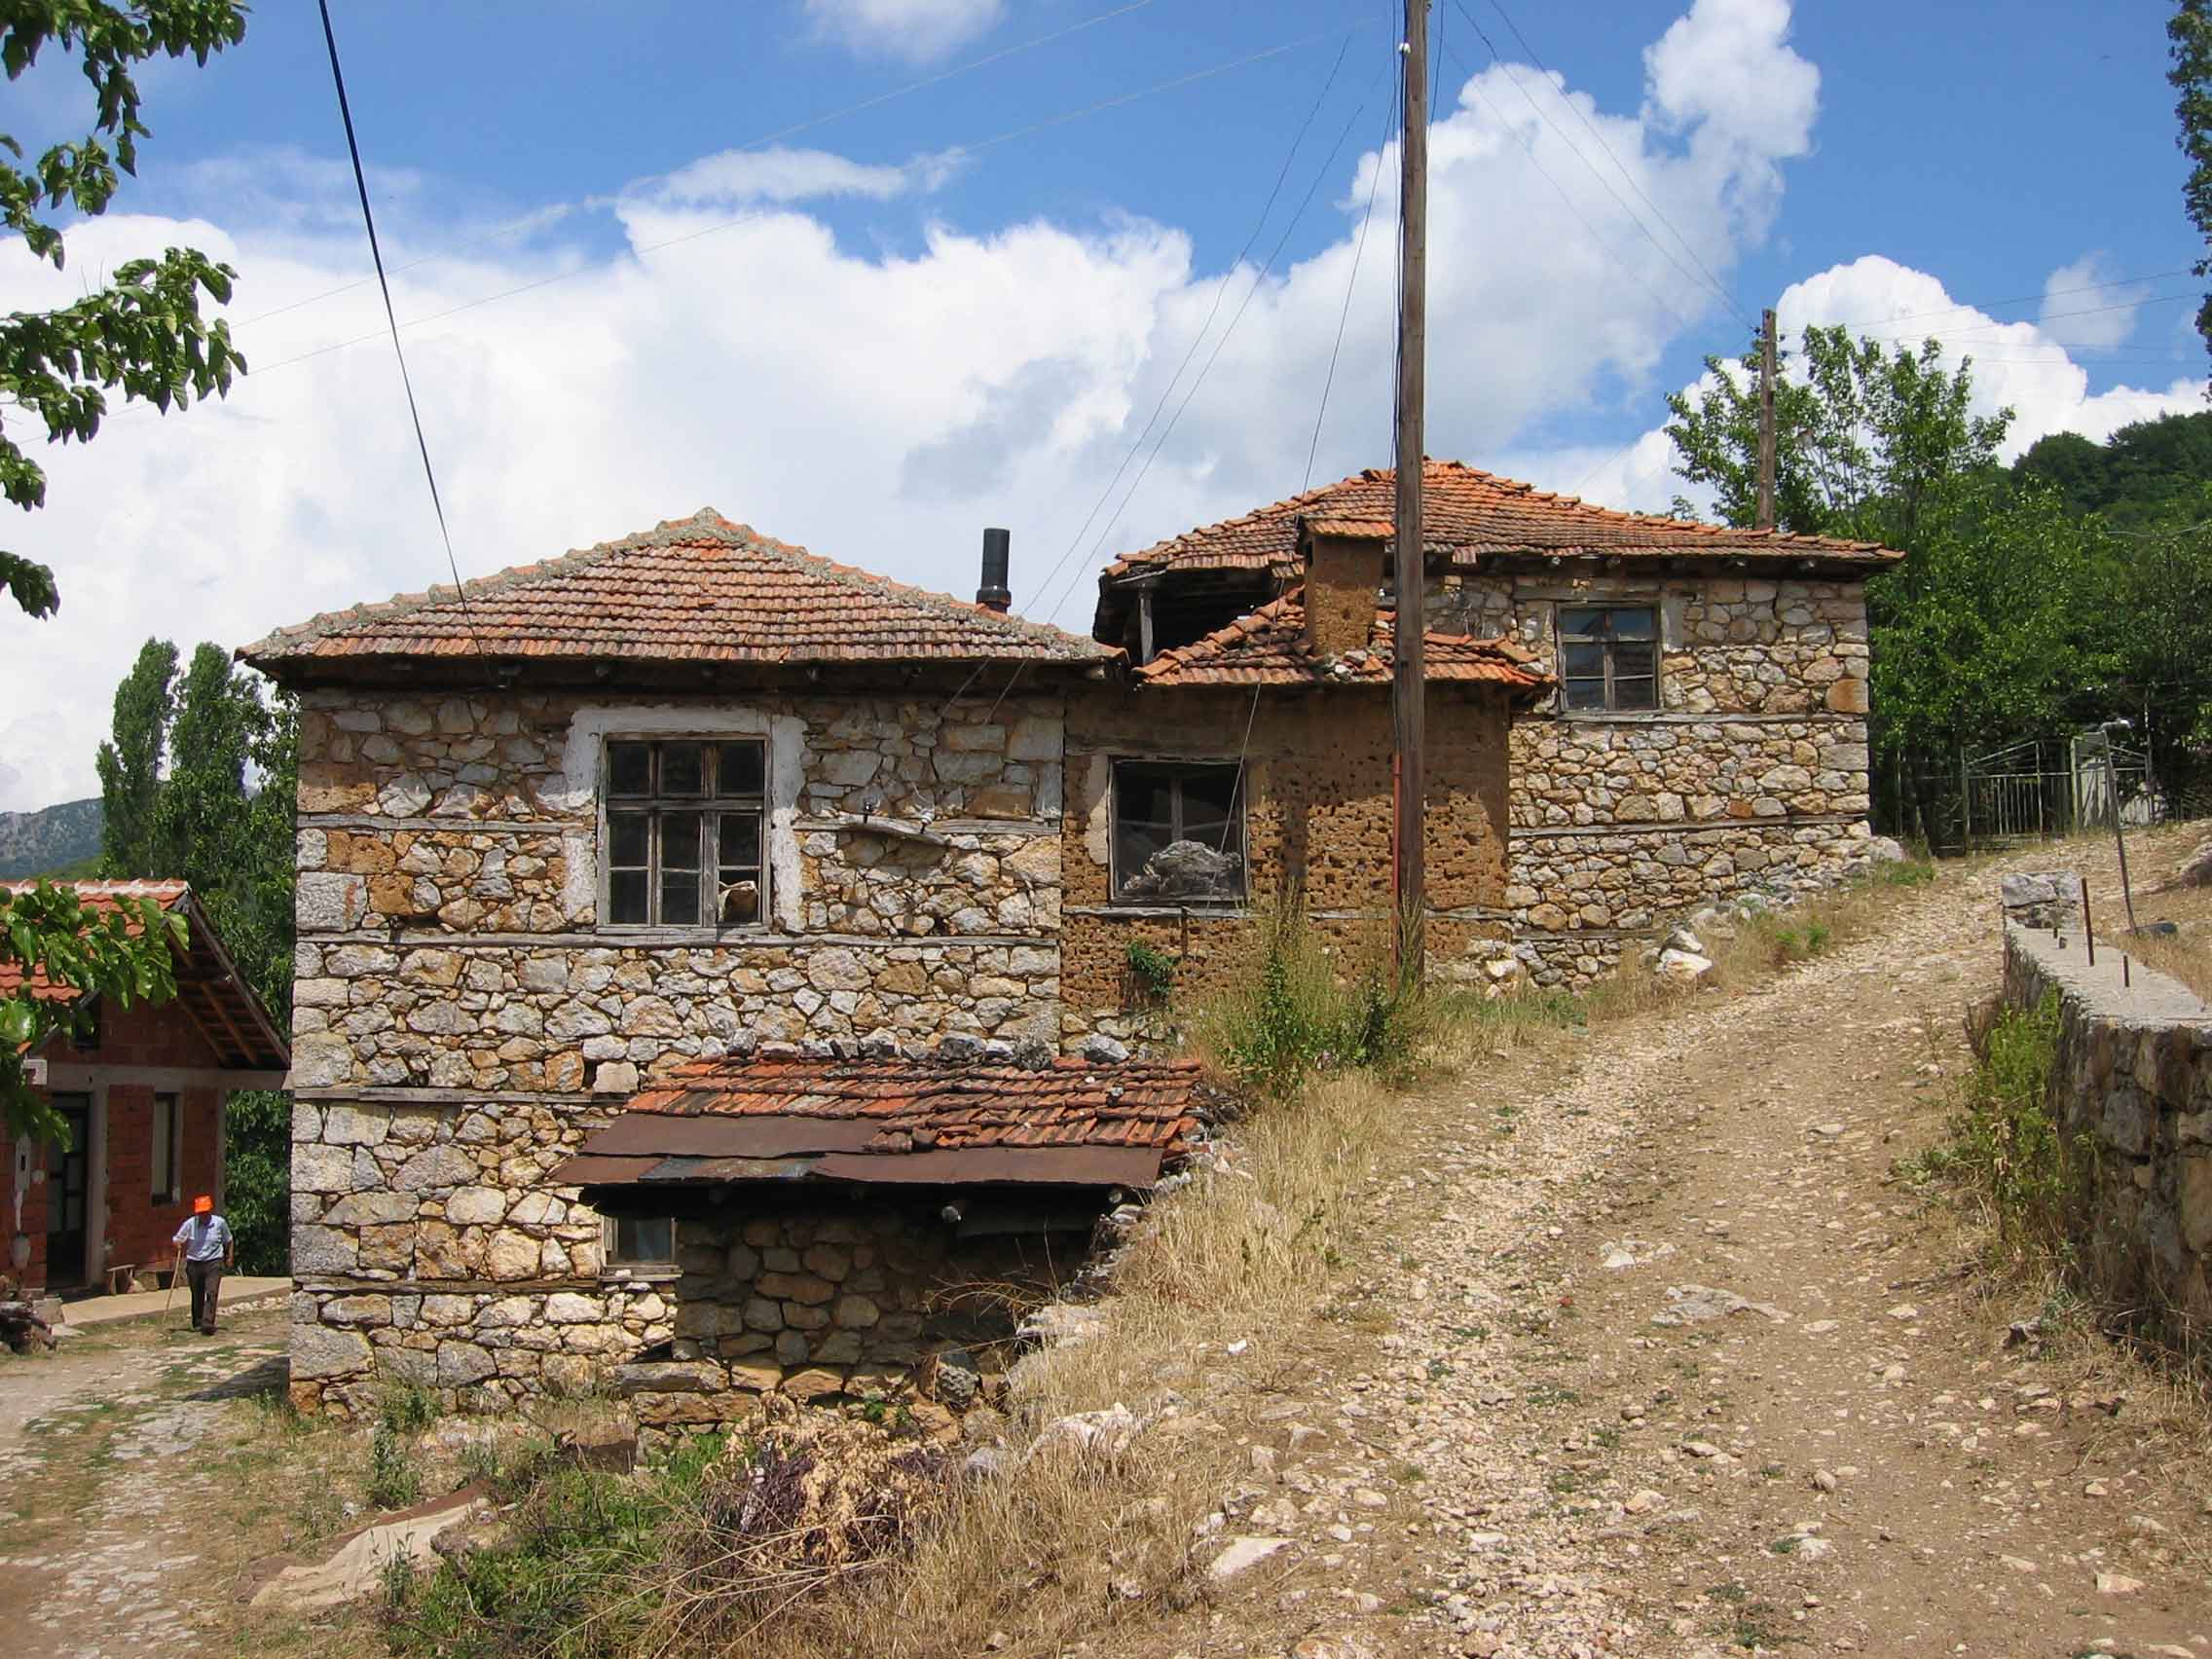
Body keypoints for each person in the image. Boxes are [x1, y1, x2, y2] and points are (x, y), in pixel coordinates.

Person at [172, 1196, 234, 1336]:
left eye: (205, 1212)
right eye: (200, 1213)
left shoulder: (219, 1223)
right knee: (197, 1292)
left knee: (211, 1291)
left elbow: (229, 1240)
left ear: (210, 1211)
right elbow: (177, 1238)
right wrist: (178, 1243)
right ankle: (198, 1321)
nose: (203, 1215)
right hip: (194, 1262)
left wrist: (230, 1257)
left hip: (214, 1261)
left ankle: (208, 1323)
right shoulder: (190, 1224)